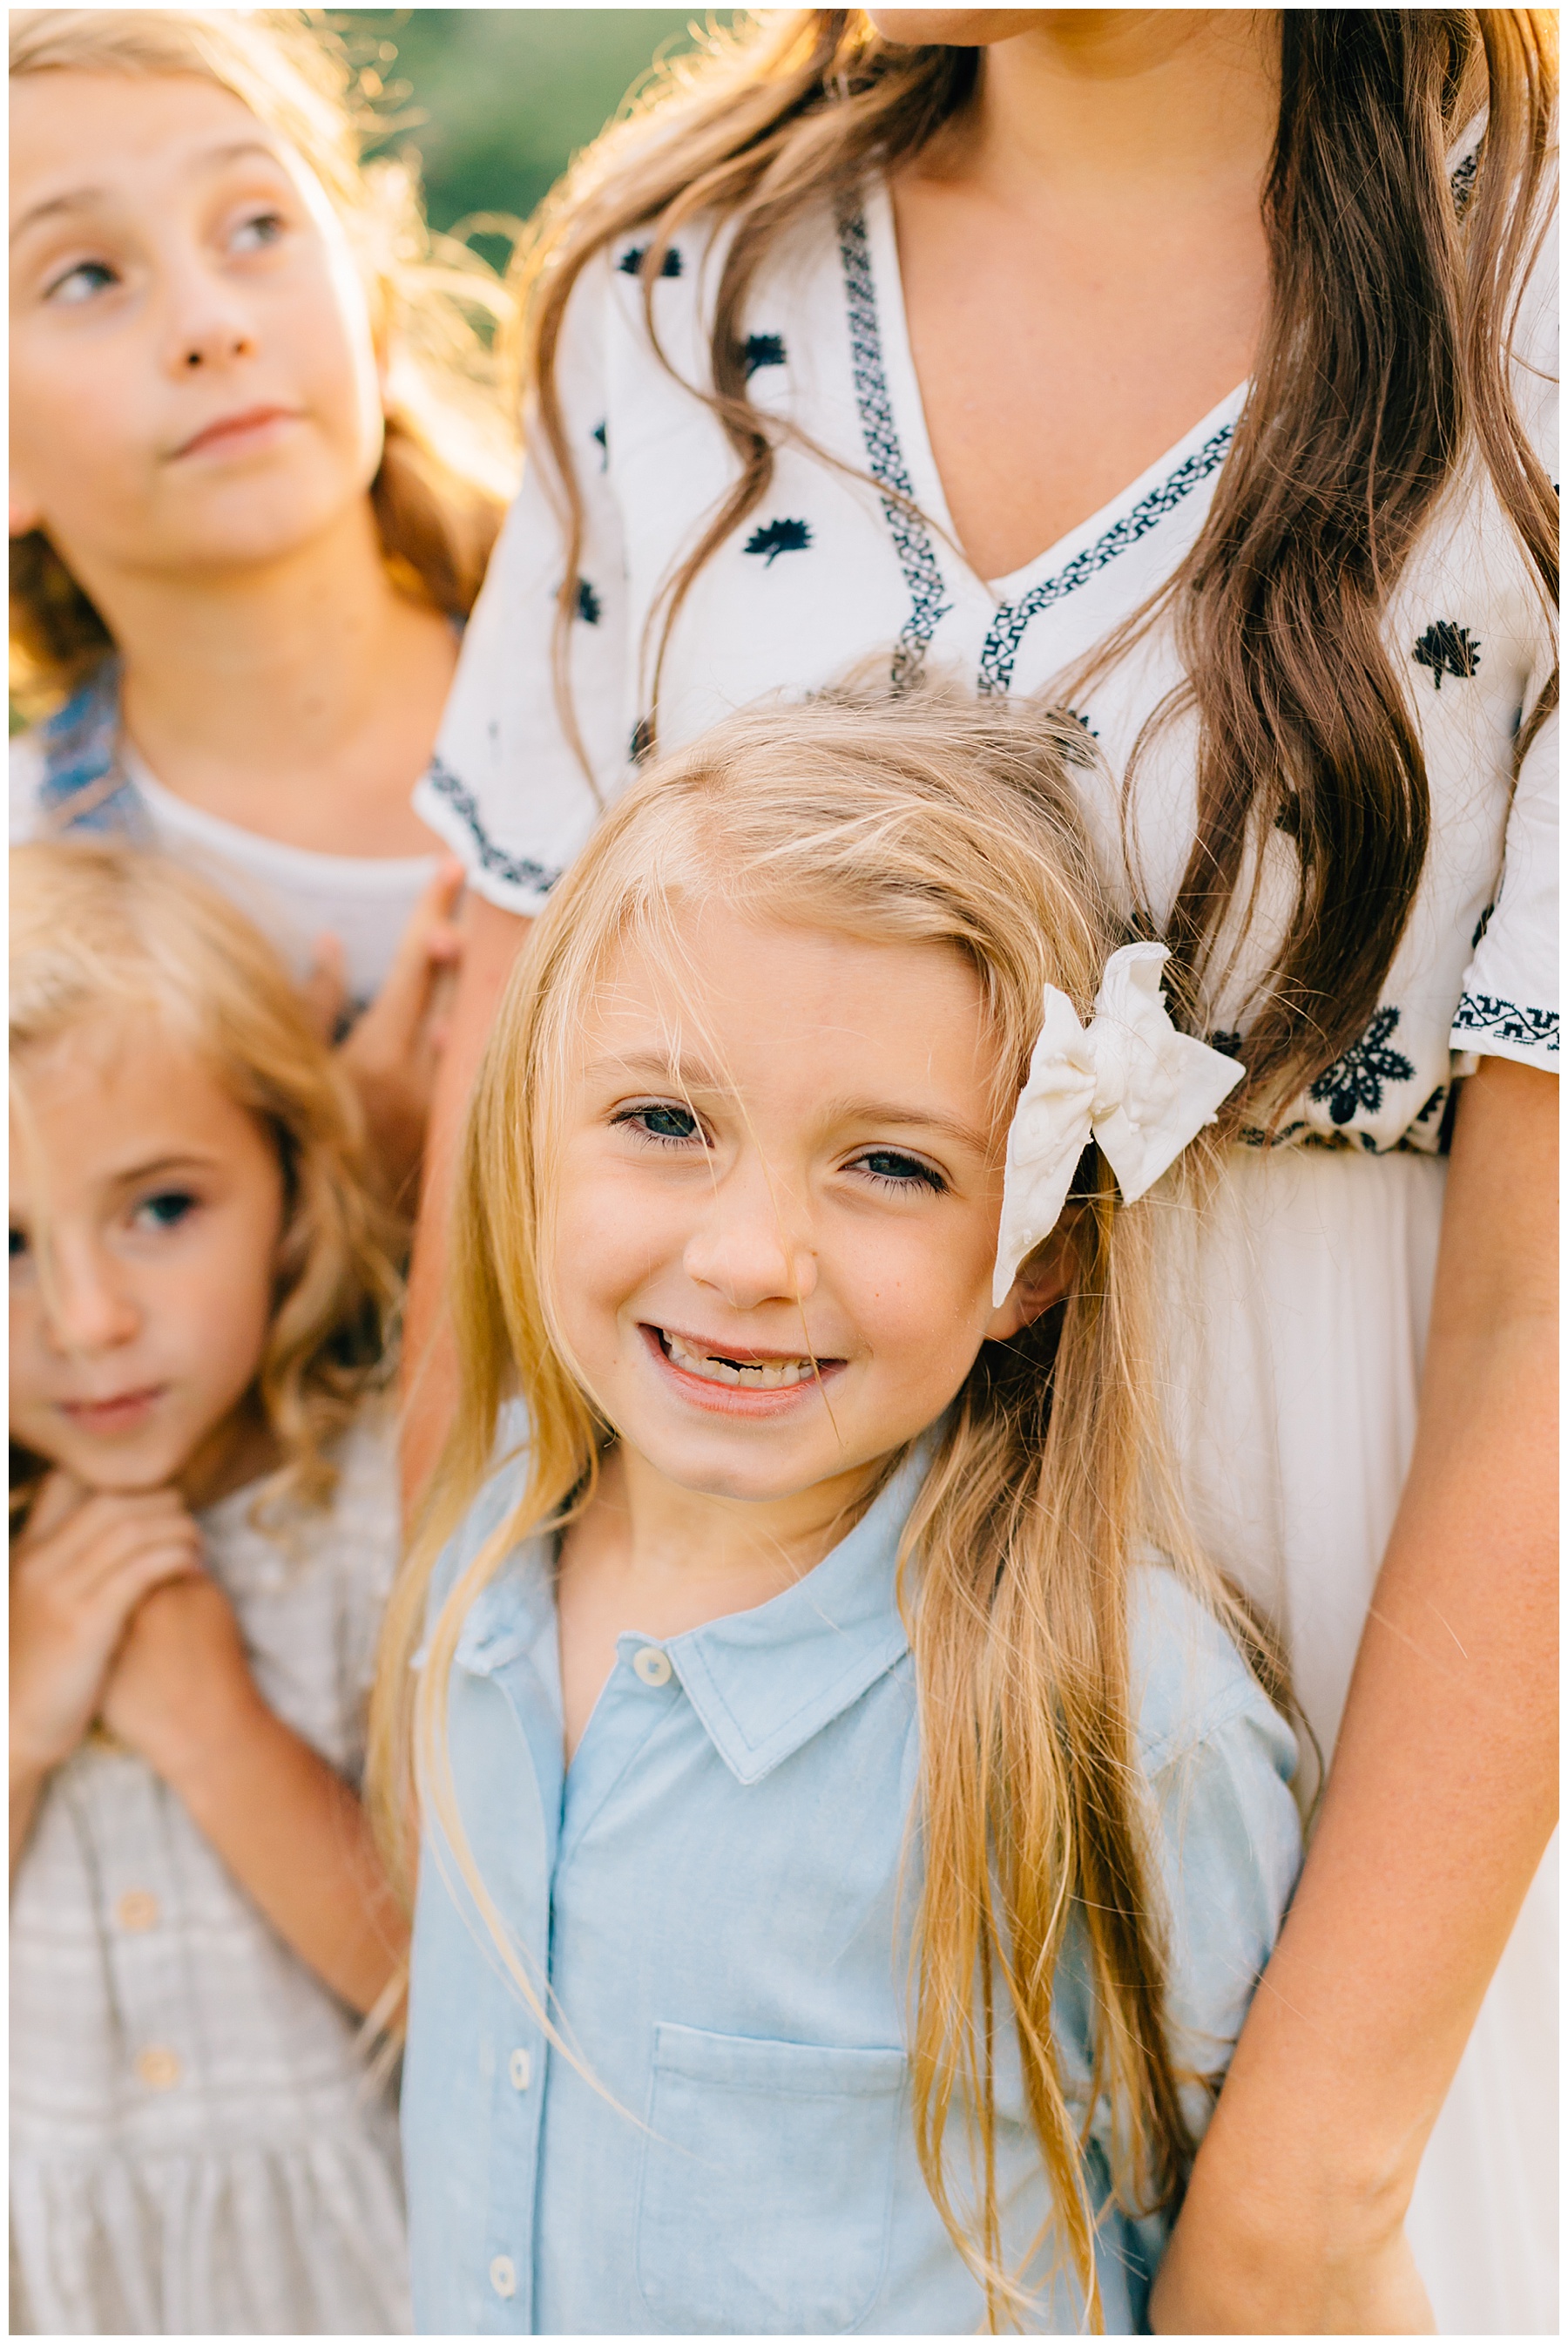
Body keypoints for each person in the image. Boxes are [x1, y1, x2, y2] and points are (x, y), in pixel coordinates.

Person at [402, 13, 1558, 2328]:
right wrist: (466, 1719)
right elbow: (506, 1086)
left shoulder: (1524, 278)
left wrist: (1313, 2166)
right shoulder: (674, 278)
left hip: (1384, 1644)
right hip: (723, 1620)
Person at [373, 683, 1302, 2334]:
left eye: (890, 1164)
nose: (747, 1258)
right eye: (666, 1121)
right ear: (530, 1133)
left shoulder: (1115, 1716)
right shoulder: (483, 1555)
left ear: (1039, 1251)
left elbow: (1272, 2271)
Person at [8, 8, 519, 1196]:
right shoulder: (21, 882)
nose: (210, 326)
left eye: (255, 227)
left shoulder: (652, 700)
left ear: (375, 305)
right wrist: (328, 1203)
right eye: (86, 275)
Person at [10, 841, 412, 2335]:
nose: (89, 1318)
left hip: (359, 2269)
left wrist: (211, 1724)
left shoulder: (377, 1513)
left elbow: (454, 1994)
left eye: (162, 1208)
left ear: (297, 1187)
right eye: (8, 1245)